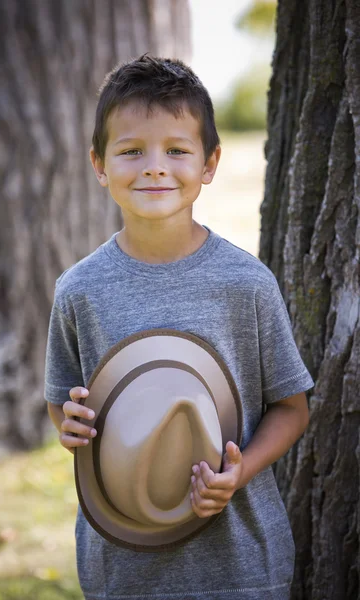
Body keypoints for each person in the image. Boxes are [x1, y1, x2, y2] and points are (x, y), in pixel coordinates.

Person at [45, 55, 314, 600]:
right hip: (124, 567)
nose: (154, 167)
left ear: (209, 163)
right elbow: (63, 398)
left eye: (176, 150)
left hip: (240, 565)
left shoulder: (247, 284)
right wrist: (66, 424)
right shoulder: (79, 290)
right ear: (99, 165)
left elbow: (292, 407)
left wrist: (238, 474)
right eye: (130, 152)